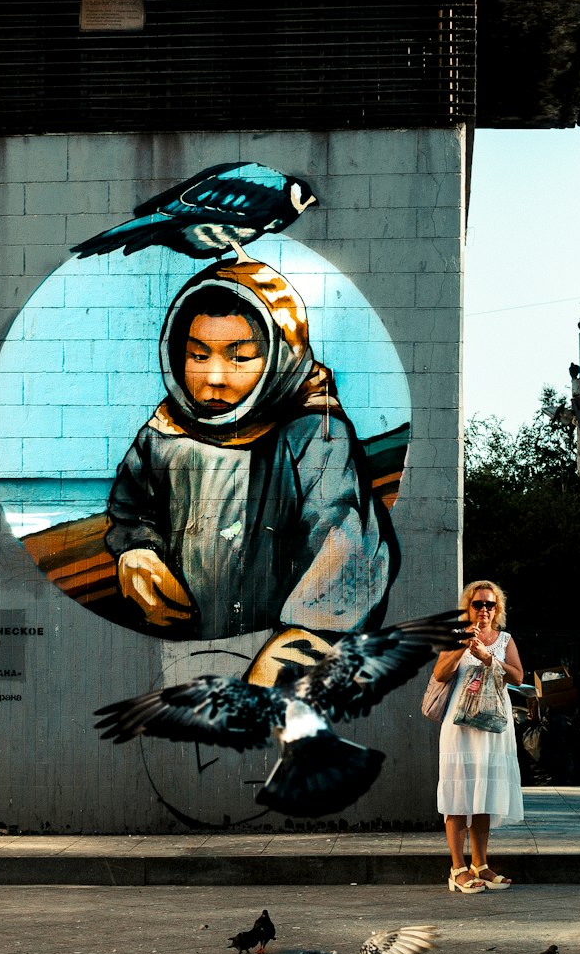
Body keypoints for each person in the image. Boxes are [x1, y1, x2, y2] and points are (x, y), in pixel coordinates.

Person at [105, 256, 398, 642]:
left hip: (272, 658)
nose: (214, 377)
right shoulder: (164, 431)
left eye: (239, 357)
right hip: (185, 648)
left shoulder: (314, 435)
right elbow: (132, 508)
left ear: (281, 357)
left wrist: (299, 647)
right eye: (197, 354)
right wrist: (137, 552)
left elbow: (341, 544)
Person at [433, 580, 524, 893]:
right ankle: (457, 868)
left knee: (483, 796)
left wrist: (489, 658)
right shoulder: (456, 636)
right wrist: (463, 647)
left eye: (490, 604)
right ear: (467, 607)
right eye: (478, 604)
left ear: (497, 609)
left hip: (493, 727)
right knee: (458, 796)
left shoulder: (504, 639)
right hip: (460, 728)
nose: (484, 609)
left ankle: (480, 865)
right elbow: (440, 674)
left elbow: (518, 676)